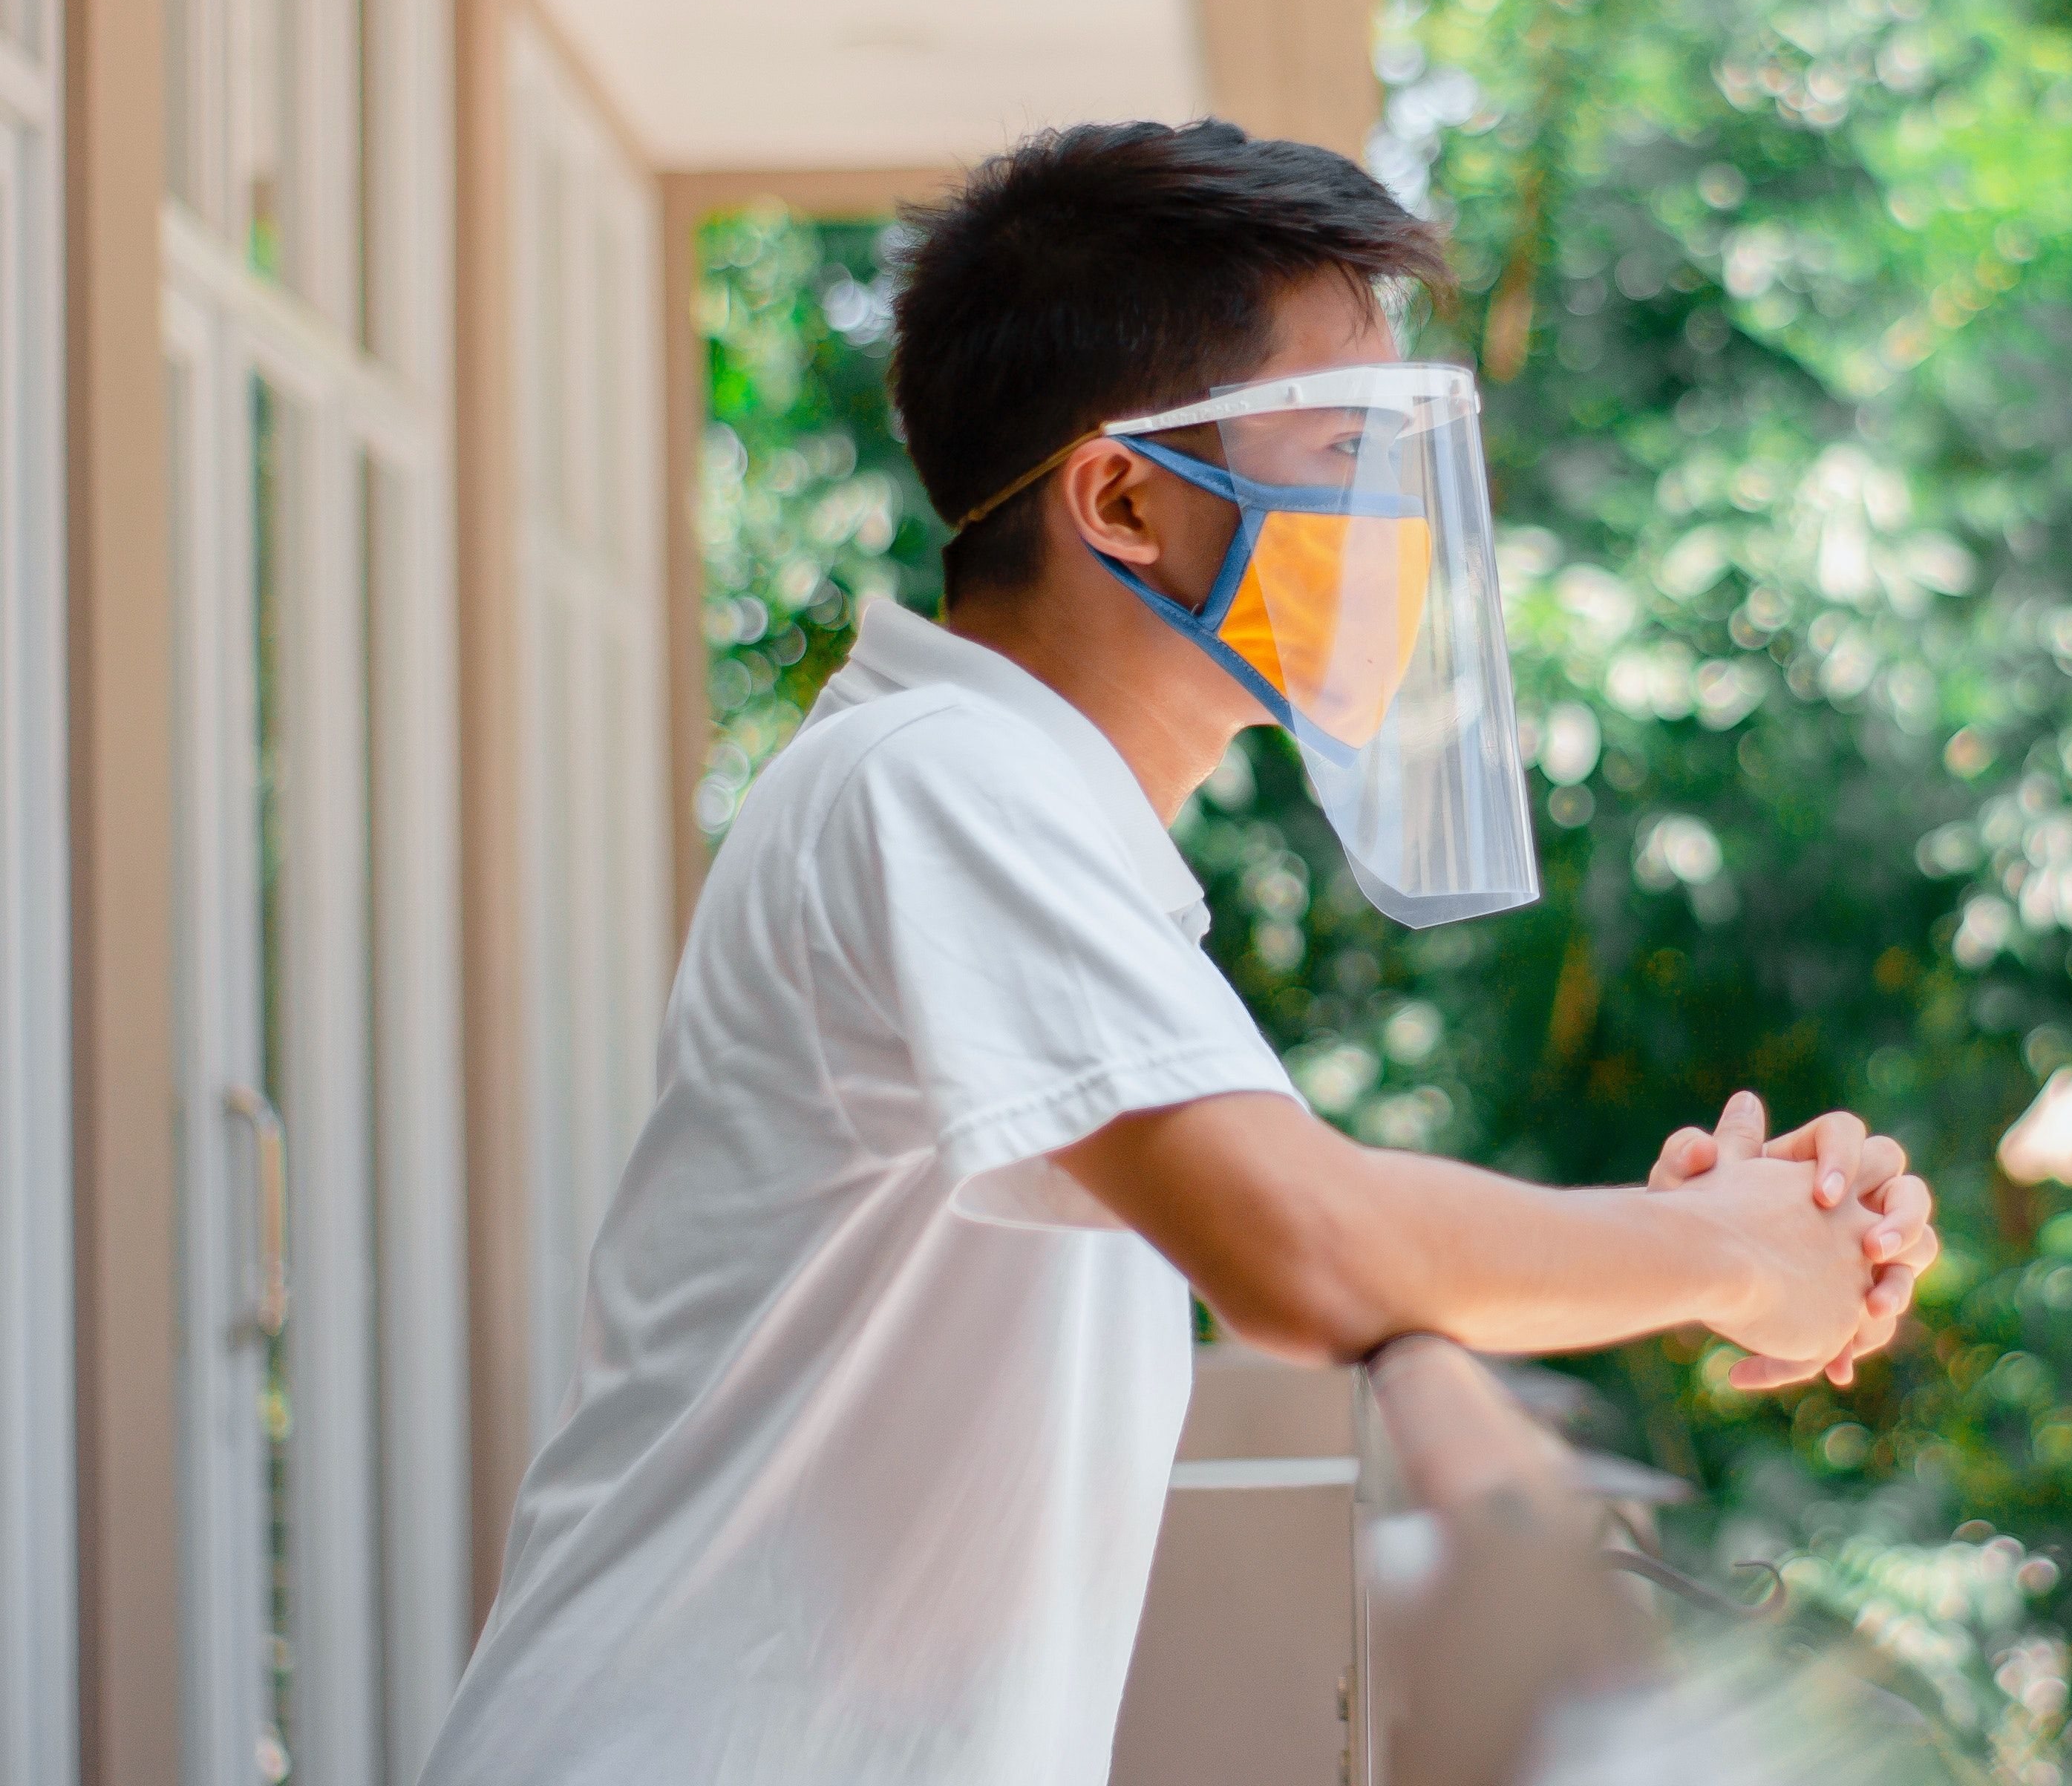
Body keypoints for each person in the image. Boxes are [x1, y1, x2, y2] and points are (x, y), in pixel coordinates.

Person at [415, 120, 1939, 1786]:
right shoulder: (943, 779)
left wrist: (1704, 1226)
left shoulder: (1036, 817)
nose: (1393, 519)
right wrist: (1723, 1253)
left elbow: (1314, 1212)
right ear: (1126, 497)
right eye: (1340, 447)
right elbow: (1304, 1243)